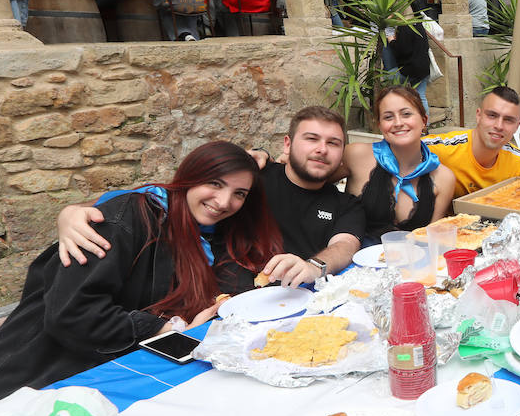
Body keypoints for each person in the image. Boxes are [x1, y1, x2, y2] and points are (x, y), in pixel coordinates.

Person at [0, 142, 284, 416]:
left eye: (239, 194)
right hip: (24, 389)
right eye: (214, 184)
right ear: (188, 178)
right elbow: (73, 314)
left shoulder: (212, 235)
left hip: (109, 384)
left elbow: (231, 290)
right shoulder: (127, 218)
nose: (224, 202)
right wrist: (164, 328)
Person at [57, 107, 366, 288]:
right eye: (311, 138)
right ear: (288, 144)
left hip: (296, 295)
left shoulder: (345, 204)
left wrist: (313, 266)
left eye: (333, 143)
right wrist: (73, 212)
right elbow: (169, 196)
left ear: (341, 153)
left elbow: (345, 246)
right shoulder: (250, 178)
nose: (321, 149)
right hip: (213, 291)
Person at [343, 86, 455, 244]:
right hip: (353, 262)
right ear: (380, 126)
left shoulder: (443, 178)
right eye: (388, 117)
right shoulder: (355, 155)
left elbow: (433, 241)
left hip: (414, 264)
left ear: (424, 120)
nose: (398, 123)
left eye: (406, 114)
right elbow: (314, 184)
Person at [426, 87, 520, 196]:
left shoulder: (518, 163)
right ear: (478, 116)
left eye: (508, 120)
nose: (499, 126)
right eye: (492, 115)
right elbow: (409, 150)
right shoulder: (443, 149)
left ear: (517, 126)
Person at [385, 1, 435, 112]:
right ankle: (425, 126)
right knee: (421, 96)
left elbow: (402, 51)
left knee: (387, 78)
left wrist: (391, 39)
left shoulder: (405, 28)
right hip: (423, 69)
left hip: (410, 70)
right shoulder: (419, 25)